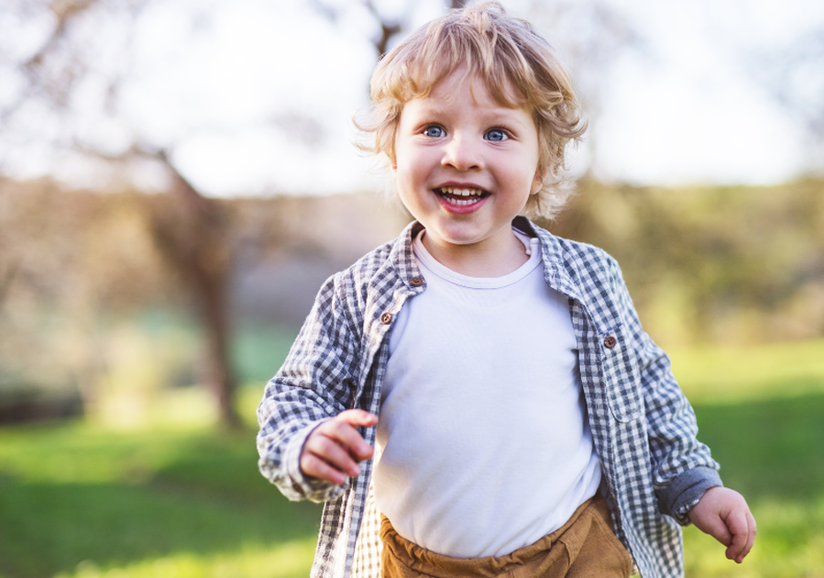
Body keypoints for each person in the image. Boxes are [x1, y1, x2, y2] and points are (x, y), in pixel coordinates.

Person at [256, 3, 756, 577]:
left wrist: (696, 485)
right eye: (432, 128)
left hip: (573, 552)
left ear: (540, 164)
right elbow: (291, 400)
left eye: (497, 132)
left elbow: (646, 395)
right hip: (423, 565)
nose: (462, 154)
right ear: (393, 150)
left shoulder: (587, 278)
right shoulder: (360, 296)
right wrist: (306, 443)